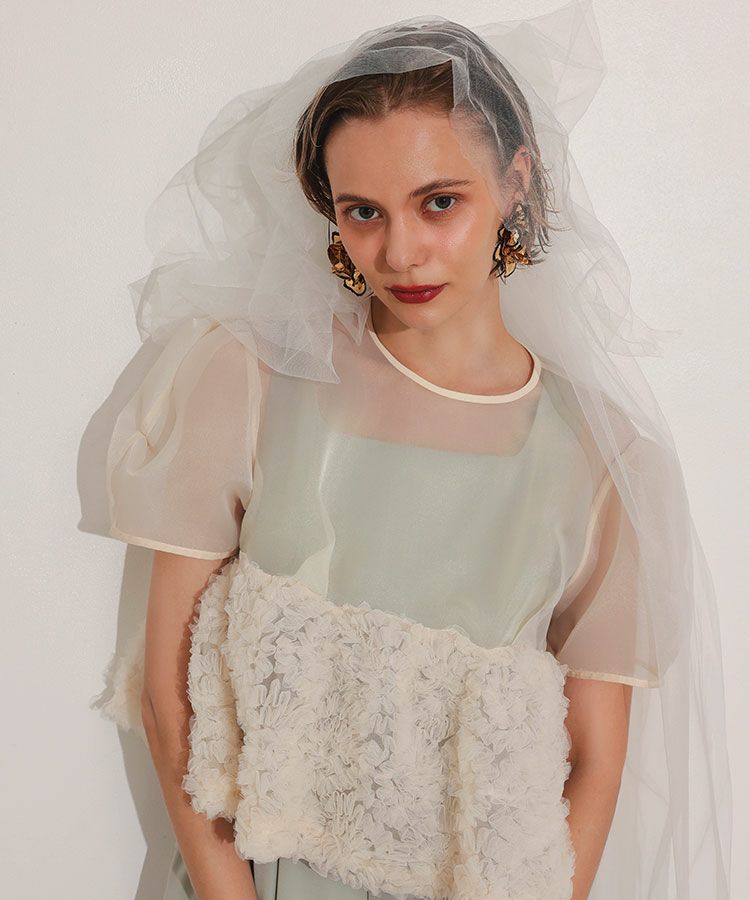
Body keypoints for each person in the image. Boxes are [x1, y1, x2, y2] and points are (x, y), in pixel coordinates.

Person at [91, 4, 733, 899]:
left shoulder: (602, 458)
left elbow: (592, 764)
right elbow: (171, 699)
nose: (400, 251)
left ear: (516, 181)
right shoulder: (251, 376)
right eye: (363, 212)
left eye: (439, 202)